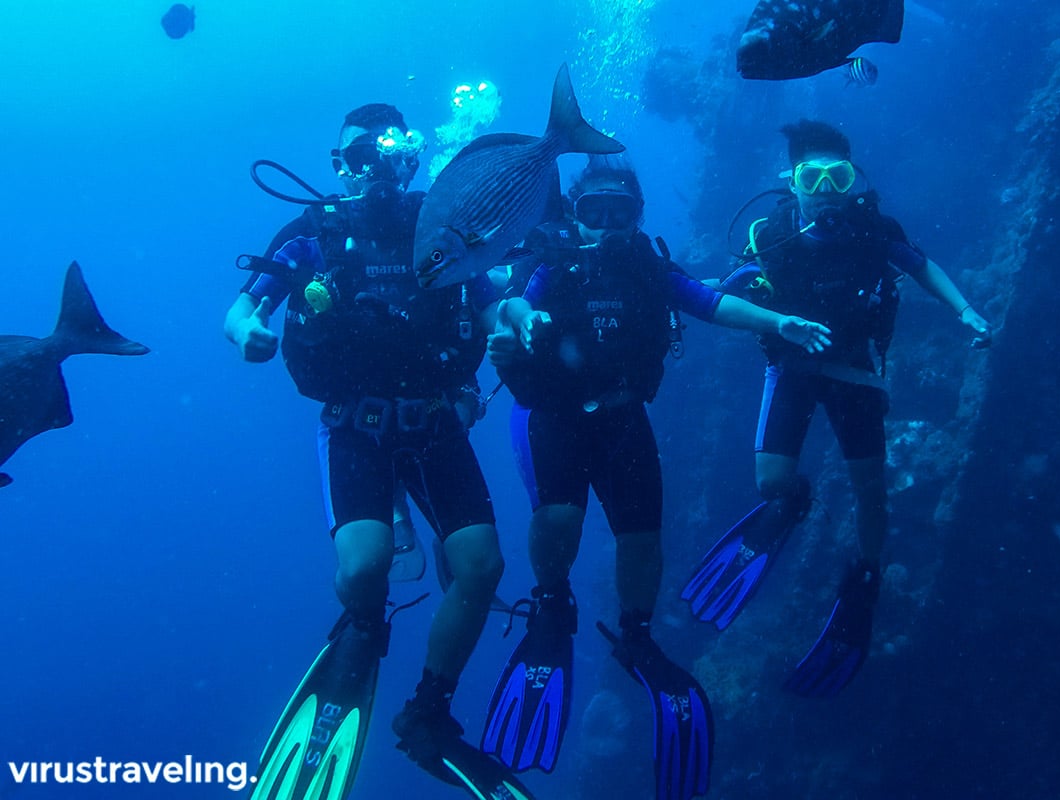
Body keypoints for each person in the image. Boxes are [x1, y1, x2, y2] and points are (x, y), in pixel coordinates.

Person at [482, 154, 831, 798]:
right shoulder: (553, 262)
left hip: (622, 417)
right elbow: (509, 305)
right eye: (596, 212)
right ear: (577, 216)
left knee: (643, 541)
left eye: (622, 213)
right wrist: (522, 320)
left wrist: (777, 320)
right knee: (558, 518)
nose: (610, 225)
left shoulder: (647, 263)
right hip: (556, 418)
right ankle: (553, 606)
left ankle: (637, 632)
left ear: (637, 215)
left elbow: (709, 301)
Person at [224, 104, 532, 800]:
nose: (371, 163)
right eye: (355, 153)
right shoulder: (316, 233)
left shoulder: (443, 229)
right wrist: (248, 334)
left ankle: (428, 711)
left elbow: (493, 301)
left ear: (408, 157)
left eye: (383, 150)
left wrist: (520, 319)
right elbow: (242, 308)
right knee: (363, 571)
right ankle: (365, 625)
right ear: (339, 165)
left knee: (480, 567)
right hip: (356, 427)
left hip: (434, 422)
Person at [682, 119, 991, 697]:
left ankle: (866, 576)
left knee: (871, 489)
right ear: (791, 181)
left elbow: (921, 267)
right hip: (793, 370)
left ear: (853, 181)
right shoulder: (769, 235)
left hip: (855, 373)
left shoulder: (874, 231)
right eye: (812, 176)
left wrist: (965, 310)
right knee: (771, 481)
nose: (825, 187)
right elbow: (725, 291)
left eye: (838, 175)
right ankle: (796, 501)